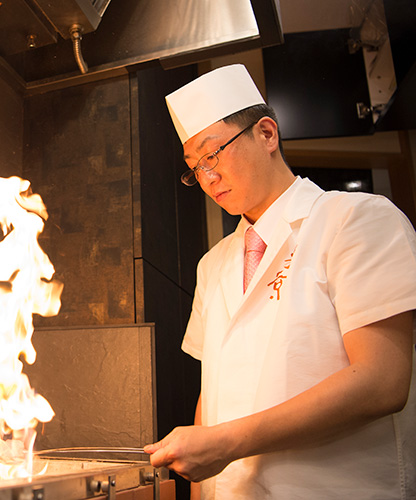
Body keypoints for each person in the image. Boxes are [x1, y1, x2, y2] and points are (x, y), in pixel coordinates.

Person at [143, 64, 416, 500]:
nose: (207, 178)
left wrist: (229, 442)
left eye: (212, 155)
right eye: (194, 169)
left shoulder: (356, 219)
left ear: (267, 134)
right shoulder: (213, 265)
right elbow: (212, 394)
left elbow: (382, 380)